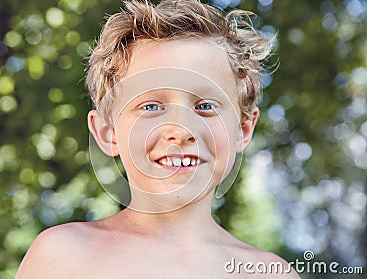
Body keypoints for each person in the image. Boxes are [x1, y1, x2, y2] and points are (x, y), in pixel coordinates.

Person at [16, 0, 300, 277]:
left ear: (243, 129)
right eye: (151, 106)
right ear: (107, 132)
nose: (180, 129)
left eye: (205, 106)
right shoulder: (62, 256)